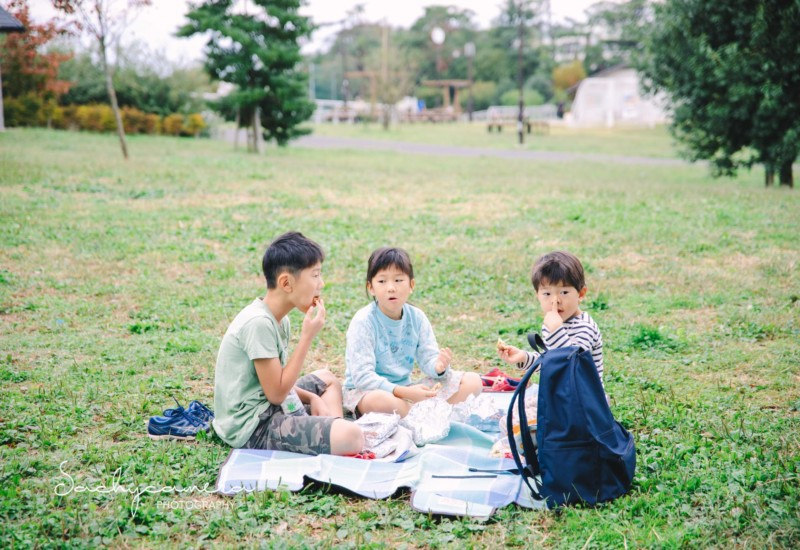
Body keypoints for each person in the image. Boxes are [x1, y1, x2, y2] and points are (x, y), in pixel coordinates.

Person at [212, 232, 363, 456]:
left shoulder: (279, 318)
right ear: (286, 282)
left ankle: (331, 428)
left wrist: (311, 397)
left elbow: (276, 383)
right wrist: (307, 337)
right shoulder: (259, 324)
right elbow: (276, 393)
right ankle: (335, 433)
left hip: (268, 404)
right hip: (253, 427)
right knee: (353, 437)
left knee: (328, 378)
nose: (321, 283)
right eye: (315, 275)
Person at [344, 247, 482, 417]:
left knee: (473, 381)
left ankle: (417, 414)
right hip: (368, 392)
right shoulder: (363, 321)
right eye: (382, 281)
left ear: (411, 285)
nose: (391, 288)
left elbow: (428, 358)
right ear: (371, 287)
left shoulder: (417, 317)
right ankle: (427, 415)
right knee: (380, 401)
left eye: (398, 280)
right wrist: (403, 392)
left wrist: (438, 367)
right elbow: (362, 377)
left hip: (407, 391)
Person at [498, 250, 604, 383]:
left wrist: (556, 330)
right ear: (538, 296)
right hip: (559, 396)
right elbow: (551, 363)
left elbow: (573, 368)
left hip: (583, 400)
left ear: (581, 294)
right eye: (547, 294)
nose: (556, 300)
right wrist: (524, 357)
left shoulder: (584, 328)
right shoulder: (553, 324)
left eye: (564, 292)